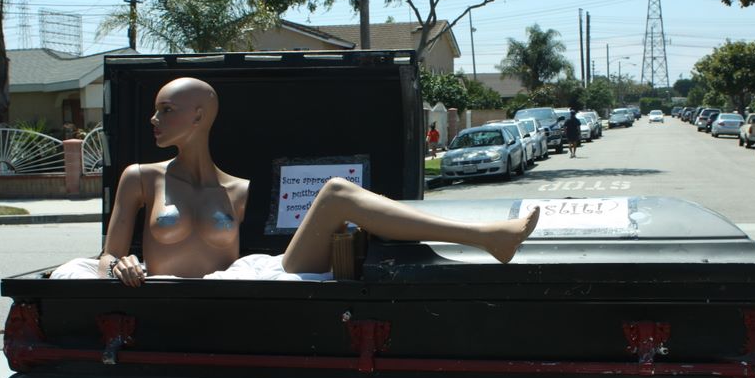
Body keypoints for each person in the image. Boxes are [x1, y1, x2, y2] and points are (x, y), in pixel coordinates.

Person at [53, 77, 539, 286]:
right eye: (156, 110)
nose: (154, 119)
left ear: (199, 116)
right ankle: (488, 237)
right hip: (165, 302)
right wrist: (119, 266)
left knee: (337, 193)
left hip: (234, 295)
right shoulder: (141, 177)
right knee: (337, 193)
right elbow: (108, 255)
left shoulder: (238, 189)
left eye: (167, 110)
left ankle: (487, 237)